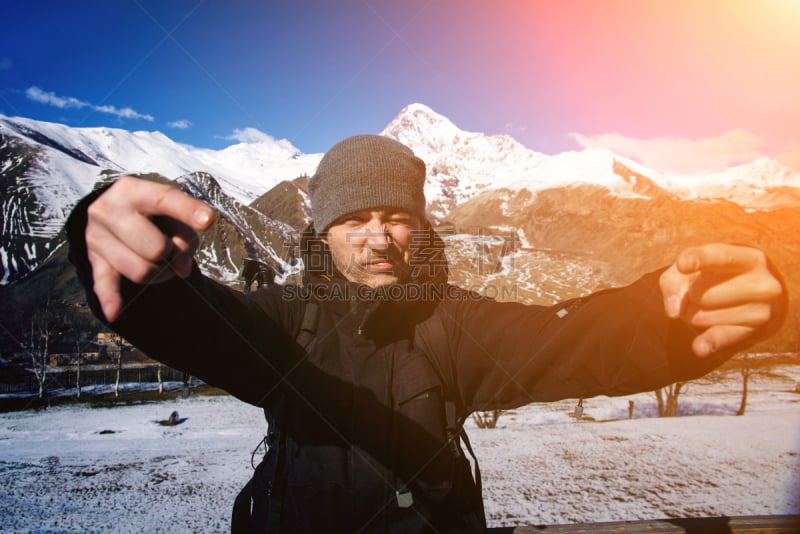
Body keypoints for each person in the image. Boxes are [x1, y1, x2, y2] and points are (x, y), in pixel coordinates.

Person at [66, 134, 787, 533]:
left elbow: (569, 342)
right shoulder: (285, 320)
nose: (378, 237)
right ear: (323, 233)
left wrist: (659, 317)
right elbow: (204, 325)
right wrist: (132, 271)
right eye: (353, 220)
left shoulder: (455, 323)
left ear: (420, 228)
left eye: (396, 217)